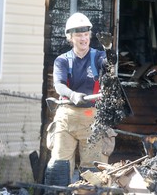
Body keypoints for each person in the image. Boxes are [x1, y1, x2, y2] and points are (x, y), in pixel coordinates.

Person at [45, 12, 117, 185]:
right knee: (59, 167)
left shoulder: (98, 56)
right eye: (79, 35)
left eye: (86, 35)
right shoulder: (62, 61)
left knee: (93, 171)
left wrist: (109, 50)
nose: (83, 39)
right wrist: (72, 94)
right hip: (66, 116)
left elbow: (109, 68)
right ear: (70, 37)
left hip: (92, 118)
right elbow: (59, 85)